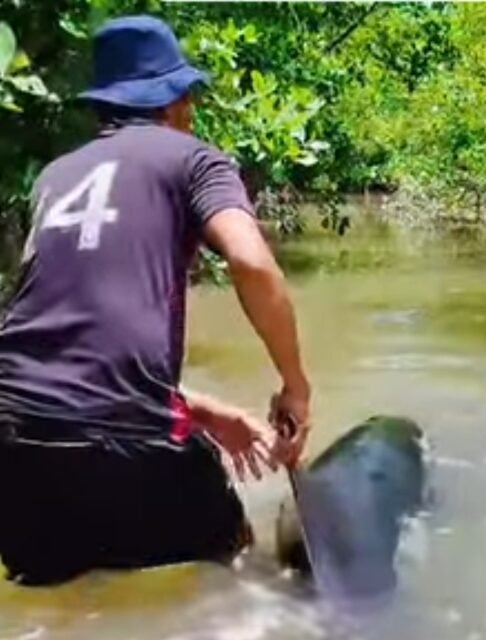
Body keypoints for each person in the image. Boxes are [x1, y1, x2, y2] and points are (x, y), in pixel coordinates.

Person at [0, 15, 312, 586]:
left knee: (61, 600)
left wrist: (204, 413)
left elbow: (64, 350)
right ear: (173, 101)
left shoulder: (53, 177)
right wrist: (295, 385)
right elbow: (251, 263)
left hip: (13, 443)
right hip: (125, 445)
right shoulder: (193, 158)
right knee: (237, 572)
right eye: (188, 96)